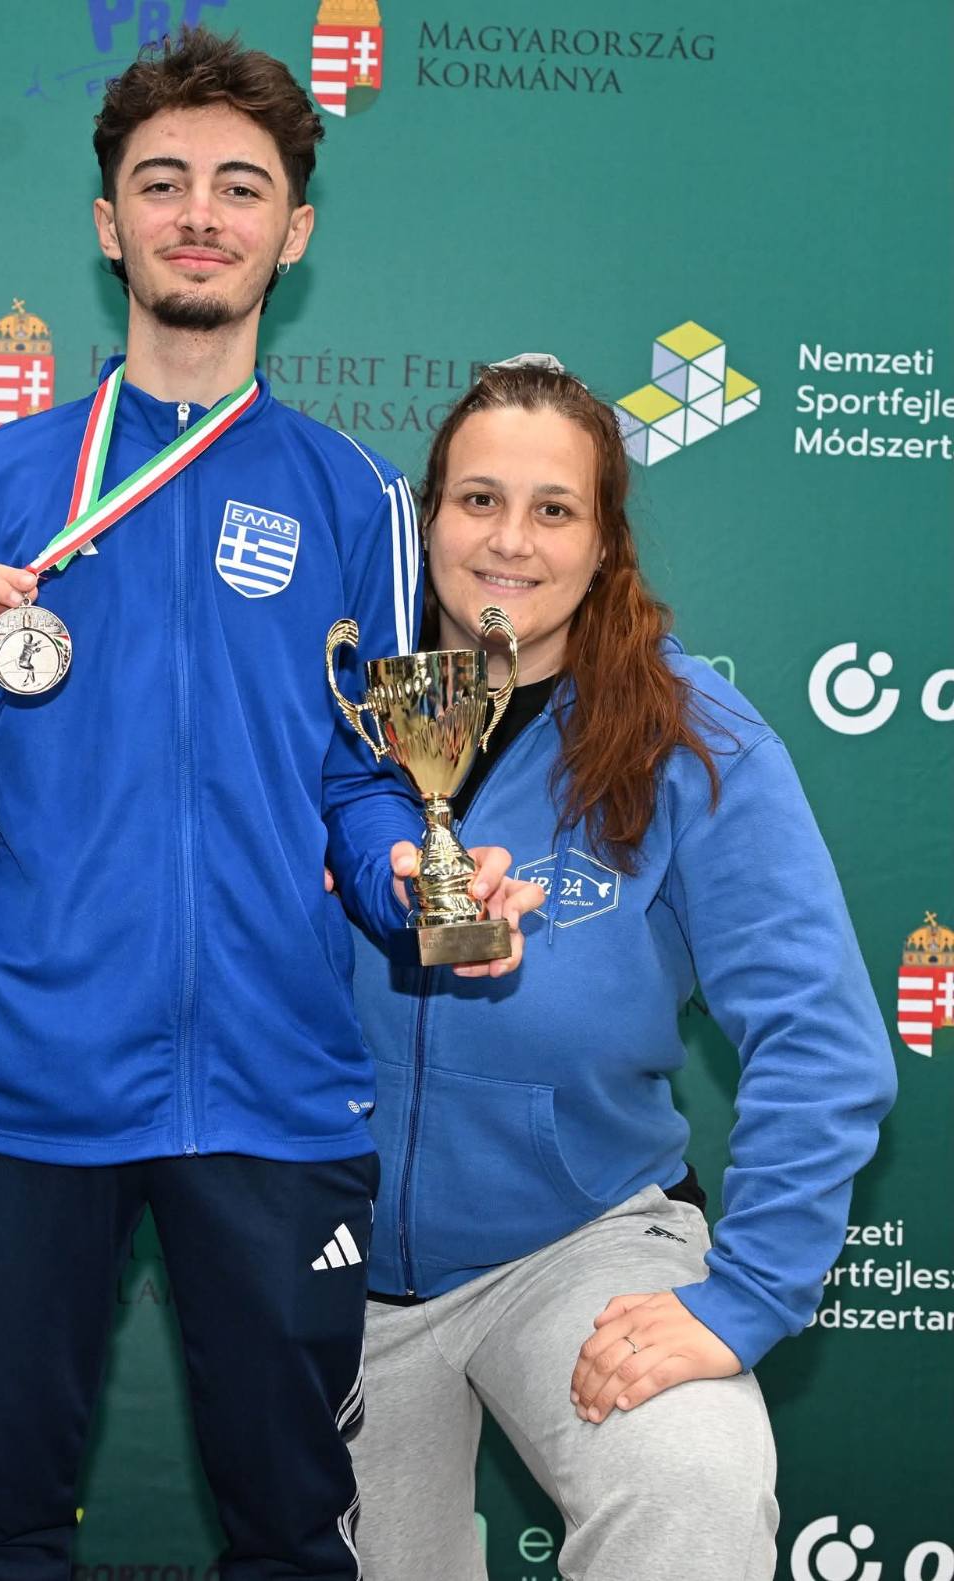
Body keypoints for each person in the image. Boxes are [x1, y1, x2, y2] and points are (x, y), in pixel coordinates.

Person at [0, 29, 540, 1581]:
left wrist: (419, 886)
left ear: (291, 234)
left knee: (294, 1536)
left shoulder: (356, 498)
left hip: (273, 1091)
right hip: (30, 1092)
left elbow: (365, 776)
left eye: (241, 188)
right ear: (108, 221)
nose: (199, 214)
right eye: (161, 181)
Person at [345, 354, 897, 1581]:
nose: (510, 540)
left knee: (690, 1480)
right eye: (478, 500)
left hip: (575, 1239)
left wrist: (742, 1300)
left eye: (554, 509)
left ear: (603, 546)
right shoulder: (338, 713)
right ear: (426, 519)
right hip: (327, 1257)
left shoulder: (686, 736)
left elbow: (820, 1039)